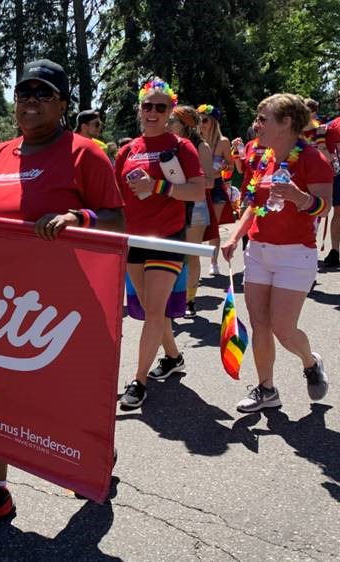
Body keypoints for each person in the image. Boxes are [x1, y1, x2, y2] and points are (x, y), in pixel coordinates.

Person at [0, 59, 124, 532]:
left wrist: (80, 219)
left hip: (56, 309)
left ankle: (93, 453)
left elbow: (118, 220)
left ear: (62, 104)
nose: (30, 101)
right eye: (23, 93)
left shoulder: (84, 154)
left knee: (66, 396)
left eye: (42, 93)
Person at [221, 94, 332, 413]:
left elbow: (323, 208)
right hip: (258, 252)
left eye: (263, 118)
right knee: (260, 325)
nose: (257, 124)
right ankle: (267, 389)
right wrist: (234, 238)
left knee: (283, 329)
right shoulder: (263, 157)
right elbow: (254, 205)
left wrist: (301, 198)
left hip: (295, 256)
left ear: (286, 124)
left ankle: (310, 362)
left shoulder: (313, 159)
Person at [115, 79, 205, 409]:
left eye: (160, 107)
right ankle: (173, 356)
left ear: (170, 112)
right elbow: (114, 196)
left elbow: (197, 191)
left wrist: (157, 187)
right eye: (147, 106)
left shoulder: (182, 147)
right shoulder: (127, 150)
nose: (153, 112)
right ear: (140, 108)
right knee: (154, 309)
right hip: (133, 239)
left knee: (153, 310)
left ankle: (138, 381)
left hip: (168, 237)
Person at [168, 105, 212, 318]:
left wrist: (189, 182)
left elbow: (210, 180)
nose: (167, 124)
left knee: (191, 255)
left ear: (185, 125)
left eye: (172, 121)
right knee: (171, 253)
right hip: (172, 204)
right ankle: (171, 298)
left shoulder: (200, 146)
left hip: (196, 206)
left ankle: (190, 300)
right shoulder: (166, 143)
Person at [198, 104, 233, 275]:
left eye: (204, 120)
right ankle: (193, 261)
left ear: (213, 122)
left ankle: (214, 262)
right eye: (199, 120)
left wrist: (222, 166)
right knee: (196, 226)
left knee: (214, 226)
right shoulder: (194, 141)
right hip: (198, 187)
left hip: (217, 186)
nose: (201, 124)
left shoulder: (223, 142)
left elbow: (231, 165)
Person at [322, 85, 340, 267]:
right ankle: (335, 250)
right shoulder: (333, 125)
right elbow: (326, 150)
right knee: (339, 210)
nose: (338, 103)